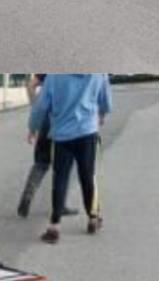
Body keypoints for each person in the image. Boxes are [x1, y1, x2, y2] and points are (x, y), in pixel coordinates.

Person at [29, 74, 112, 244]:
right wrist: (103, 113)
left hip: (61, 136)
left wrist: (33, 127)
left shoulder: (54, 75)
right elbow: (105, 99)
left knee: (60, 179)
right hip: (87, 132)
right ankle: (93, 218)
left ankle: (54, 226)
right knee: (88, 176)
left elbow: (41, 105)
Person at [17, 74, 77, 218]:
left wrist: (36, 108)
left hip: (46, 120)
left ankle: (27, 197)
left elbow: (31, 85)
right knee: (63, 167)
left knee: (41, 163)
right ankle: (60, 205)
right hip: (66, 121)